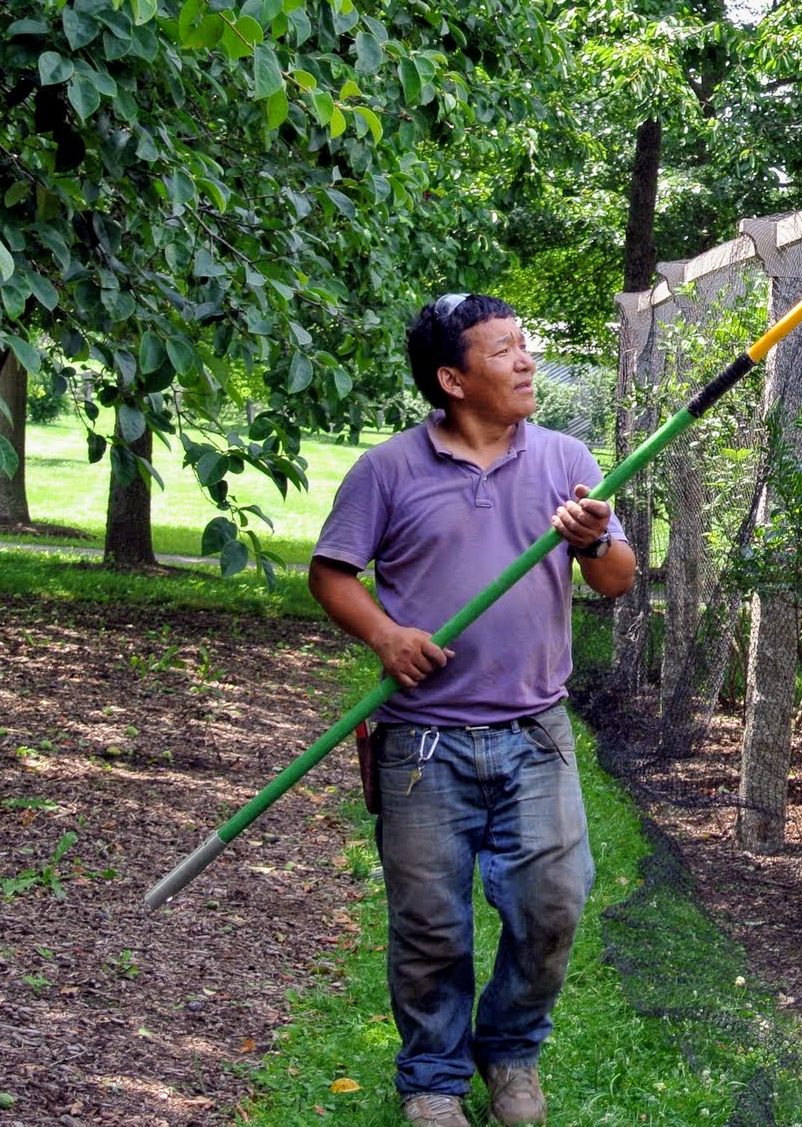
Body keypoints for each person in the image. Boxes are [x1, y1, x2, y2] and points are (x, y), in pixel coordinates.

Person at [308, 293, 637, 1127]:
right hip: (422, 742)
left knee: (554, 902)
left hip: (534, 732)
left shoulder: (566, 458)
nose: (526, 361)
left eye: (525, 344)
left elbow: (618, 578)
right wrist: (386, 635)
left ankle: (511, 1050)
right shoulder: (387, 469)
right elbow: (331, 573)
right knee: (429, 923)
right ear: (452, 380)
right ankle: (432, 1078)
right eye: (503, 350)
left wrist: (594, 539)